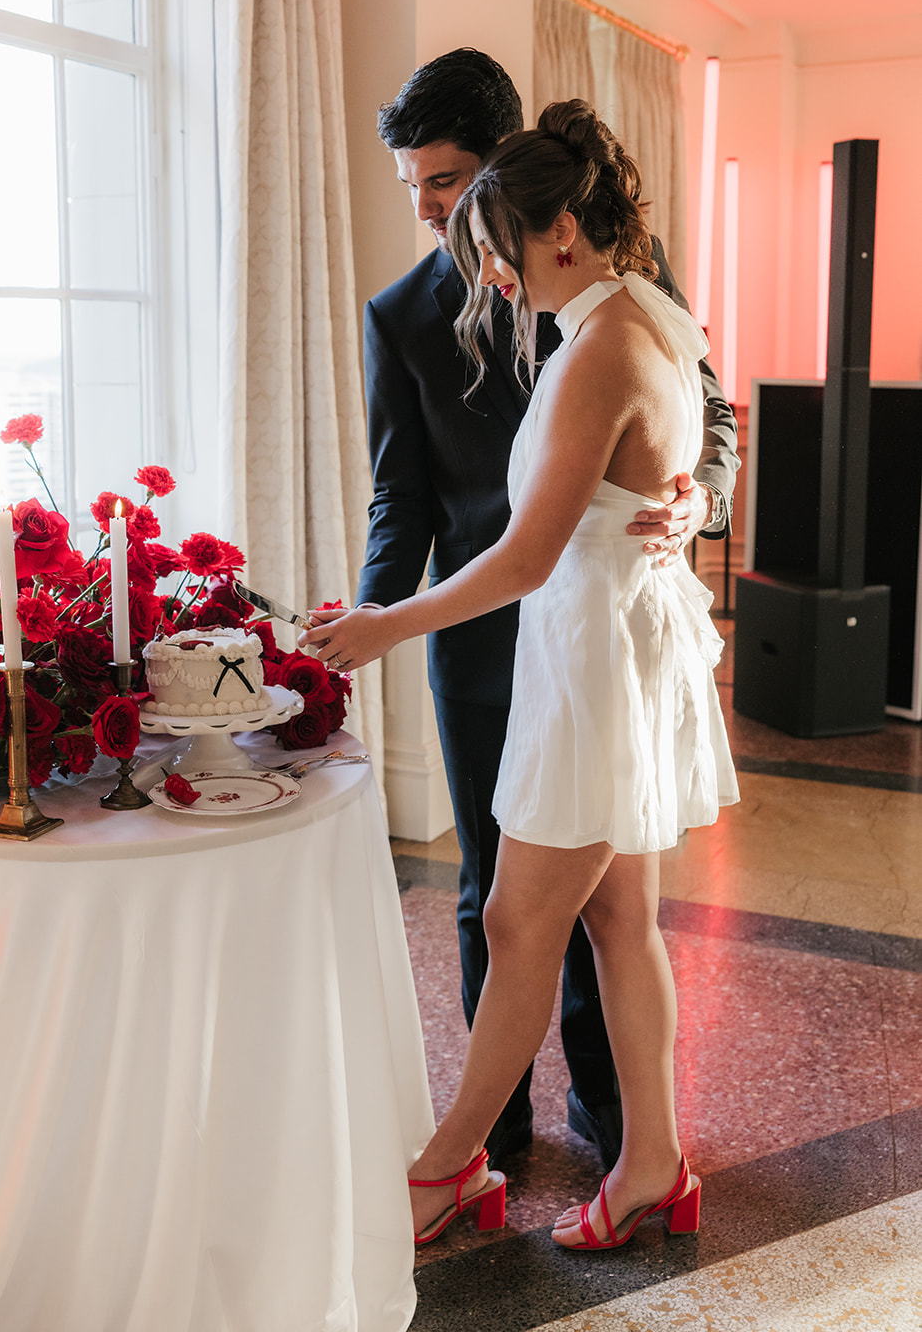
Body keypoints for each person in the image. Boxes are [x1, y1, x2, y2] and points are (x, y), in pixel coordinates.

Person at [303, 101, 740, 1248]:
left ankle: (446, 1168)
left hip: (593, 654)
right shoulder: (644, 312)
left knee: (514, 916)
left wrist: (384, 625)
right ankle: (653, 1161)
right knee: (617, 920)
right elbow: (658, 454)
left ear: (556, 231)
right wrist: (681, 488)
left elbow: (527, 552)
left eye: (497, 249)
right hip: (613, 638)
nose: (489, 276)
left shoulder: (598, 349)